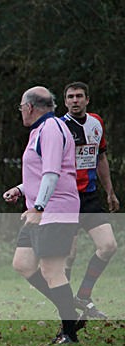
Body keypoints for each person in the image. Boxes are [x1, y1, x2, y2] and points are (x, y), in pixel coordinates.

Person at [3, 86, 82, 344]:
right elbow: (40, 174)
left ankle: (69, 332)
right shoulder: (40, 130)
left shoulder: (50, 130)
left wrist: (39, 207)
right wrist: (20, 189)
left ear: (29, 107)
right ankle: (72, 310)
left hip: (54, 210)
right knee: (23, 264)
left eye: (21, 108)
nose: (21, 113)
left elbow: (52, 174)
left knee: (52, 271)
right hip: (38, 209)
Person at [60, 81, 119, 318]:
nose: (75, 100)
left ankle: (83, 296)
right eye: (71, 97)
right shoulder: (60, 127)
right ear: (65, 102)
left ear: (87, 99)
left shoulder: (96, 123)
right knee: (68, 256)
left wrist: (110, 192)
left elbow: (101, 158)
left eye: (79, 96)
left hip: (90, 197)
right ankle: (65, 311)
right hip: (66, 199)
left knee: (108, 246)